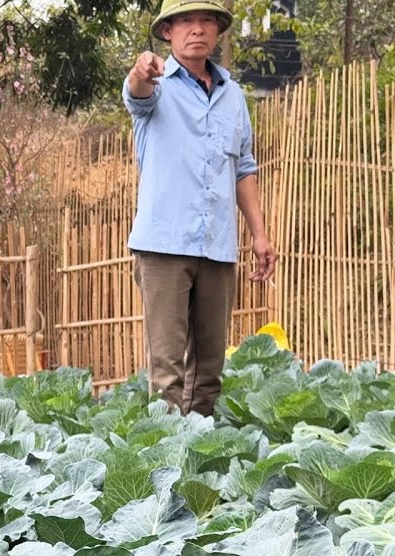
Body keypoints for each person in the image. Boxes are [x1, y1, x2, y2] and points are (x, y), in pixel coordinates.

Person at [124, 0, 278, 417]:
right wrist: (140, 73)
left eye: (206, 20)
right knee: (168, 374)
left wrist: (259, 235)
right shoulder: (157, 85)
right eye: (186, 21)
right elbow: (137, 94)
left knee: (209, 372)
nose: (197, 29)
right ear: (167, 32)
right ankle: (163, 466)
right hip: (164, 247)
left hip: (218, 247)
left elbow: (243, 168)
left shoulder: (233, 97)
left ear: (217, 31)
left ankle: (197, 464)